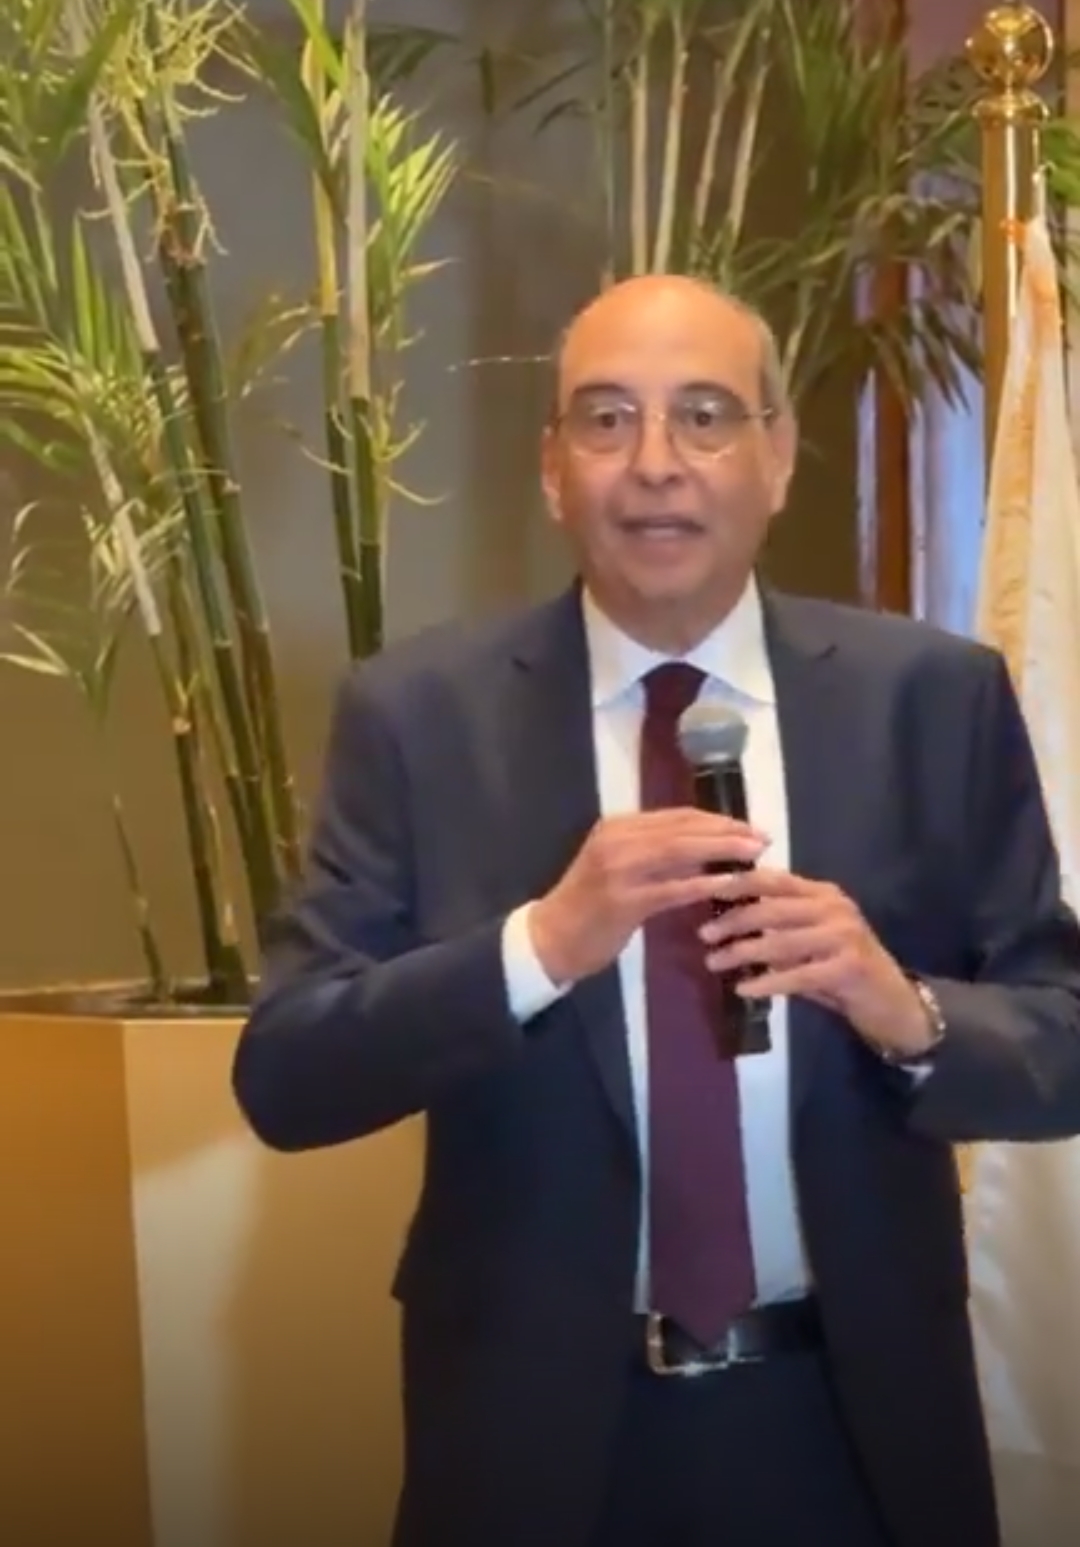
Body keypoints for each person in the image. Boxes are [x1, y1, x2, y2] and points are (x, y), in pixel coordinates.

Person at [232, 273, 1080, 1547]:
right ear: (552, 469)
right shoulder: (419, 716)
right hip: (534, 1439)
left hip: (853, 1423)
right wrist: (538, 947)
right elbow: (289, 1077)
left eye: (705, 414)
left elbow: (1062, 1043)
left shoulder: (931, 699)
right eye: (606, 418)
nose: (656, 464)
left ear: (777, 456)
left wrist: (903, 1007)